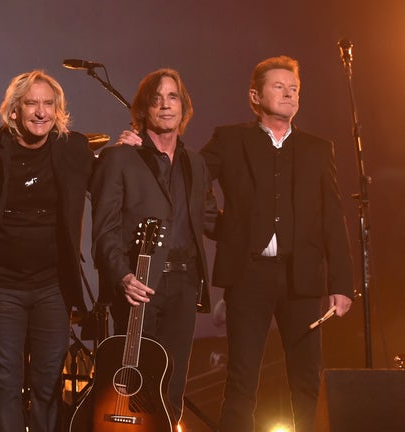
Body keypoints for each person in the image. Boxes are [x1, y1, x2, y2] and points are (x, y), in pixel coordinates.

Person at [200, 56, 353, 432]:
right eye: (279, 86)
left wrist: (341, 284)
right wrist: (222, 227)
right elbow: (189, 179)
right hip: (248, 275)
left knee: (307, 379)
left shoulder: (319, 149)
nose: (289, 94)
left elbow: (333, 217)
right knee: (241, 380)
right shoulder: (230, 138)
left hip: (301, 278)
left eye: (294, 88)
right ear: (255, 95)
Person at [0, 70, 93, 432]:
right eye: (31, 103)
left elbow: (110, 186)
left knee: (49, 384)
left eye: (48, 104)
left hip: (52, 287)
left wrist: (130, 146)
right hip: (2, 286)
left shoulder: (74, 149)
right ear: (14, 110)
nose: (40, 112)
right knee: (3, 385)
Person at [91, 68, 218, 426]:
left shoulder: (196, 163)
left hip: (184, 284)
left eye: (173, 97)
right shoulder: (120, 158)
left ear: (184, 107)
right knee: (136, 385)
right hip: (139, 284)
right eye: (156, 99)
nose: (165, 105)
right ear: (143, 109)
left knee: (172, 383)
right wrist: (122, 276)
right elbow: (104, 230)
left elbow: (210, 220)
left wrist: (263, 230)